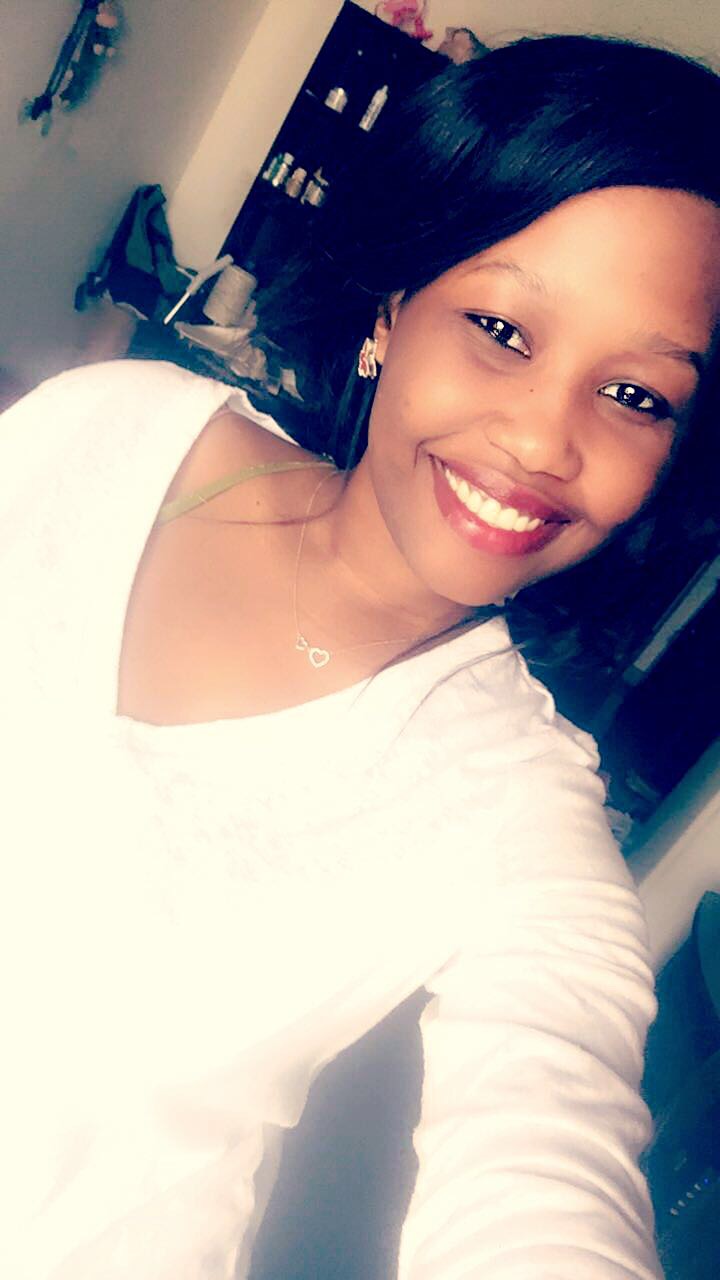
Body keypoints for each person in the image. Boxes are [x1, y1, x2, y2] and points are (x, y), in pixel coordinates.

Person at [1, 32, 719, 1280]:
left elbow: (544, 1161)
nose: (542, 440)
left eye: (637, 395)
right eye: (501, 328)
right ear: (393, 308)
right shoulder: (109, 429)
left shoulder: (521, 816)